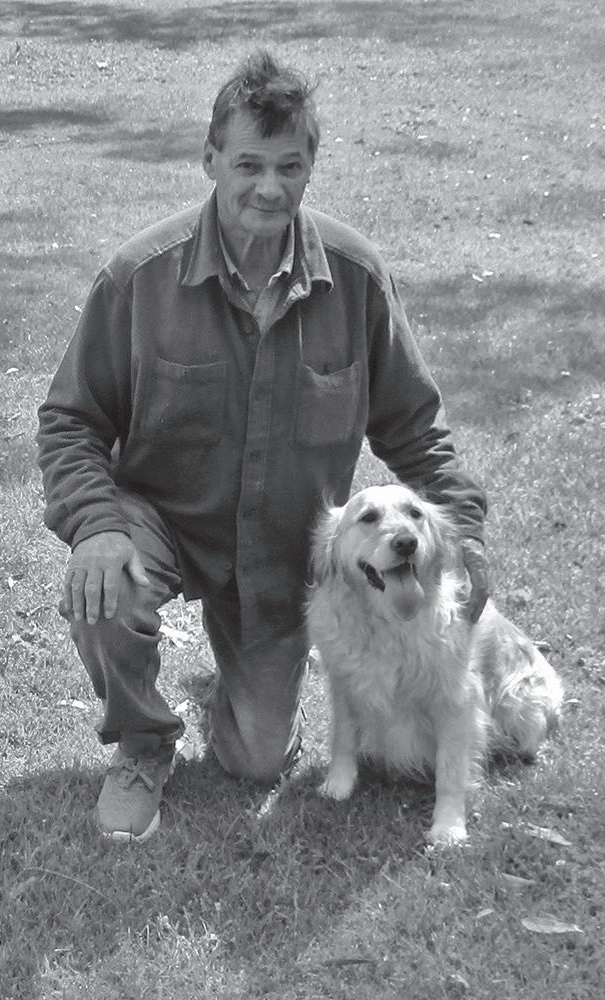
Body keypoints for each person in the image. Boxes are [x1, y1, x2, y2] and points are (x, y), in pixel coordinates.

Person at [37, 50, 488, 843]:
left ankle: (238, 689)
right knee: (106, 587)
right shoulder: (138, 278)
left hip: (283, 551)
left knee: (256, 758)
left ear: (312, 165)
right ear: (210, 159)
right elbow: (70, 419)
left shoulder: (355, 277)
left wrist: (467, 534)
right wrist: (96, 525)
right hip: (165, 525)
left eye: (289, 166)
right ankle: (142, 742)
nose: (269, 187)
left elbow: (417, 428)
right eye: (248, 164)